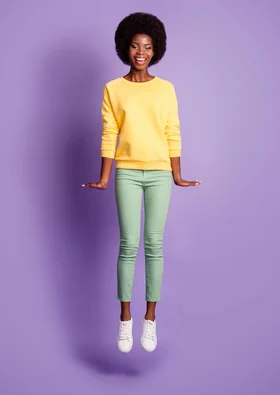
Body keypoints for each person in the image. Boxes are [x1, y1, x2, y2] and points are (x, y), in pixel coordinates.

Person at [82, 12, 200, 353]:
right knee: (129, 244)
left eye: (147, 47)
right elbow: (109, 134)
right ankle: (125, 321)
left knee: (154, 244)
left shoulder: (166, 89)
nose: (140, 52)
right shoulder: (113, 89)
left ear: (155, 49)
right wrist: (105, 177)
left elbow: (172, 132)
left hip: (160, 173)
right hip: (128, 173)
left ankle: (150, 320)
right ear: (125, 47)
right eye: (135, 46)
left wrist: (177, 174)